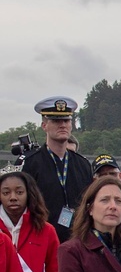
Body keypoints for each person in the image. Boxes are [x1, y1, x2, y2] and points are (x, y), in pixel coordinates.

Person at [20, 97, 92, 242]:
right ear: (44, 126)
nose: (62, 125)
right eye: (56, 121)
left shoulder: (83, 164)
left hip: (78, 241)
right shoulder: (30, 163)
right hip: (40, 239)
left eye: (66, 121)